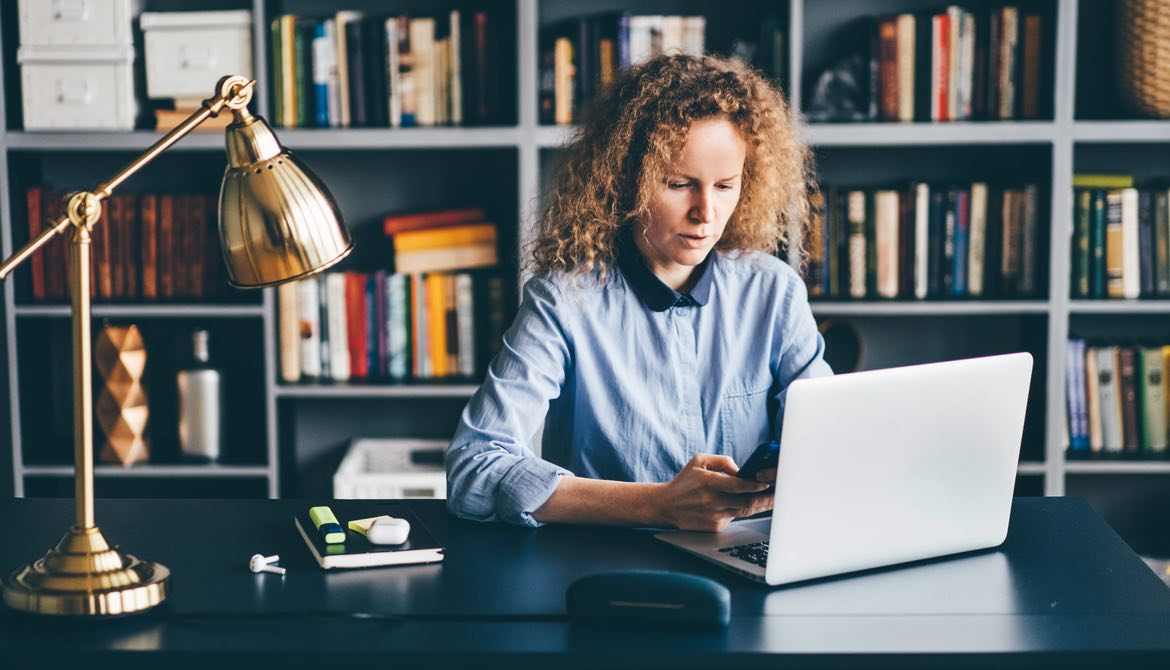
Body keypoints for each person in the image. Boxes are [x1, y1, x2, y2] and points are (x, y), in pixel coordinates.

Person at [446, 54, 832, 531]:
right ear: (627, 179)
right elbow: (474, 468)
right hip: (610, 572)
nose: (705, 212)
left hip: (751, 563)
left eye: (726, 185)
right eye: (678, 184)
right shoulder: (563, 301)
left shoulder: (773, 291)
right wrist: (658, 505)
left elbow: (828, 435)